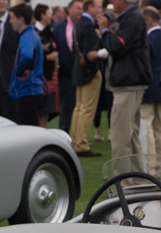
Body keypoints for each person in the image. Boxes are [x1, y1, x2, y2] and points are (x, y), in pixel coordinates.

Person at [97, 0, 151, 174]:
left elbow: (116, 46)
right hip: (132, 81)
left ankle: (122, 184)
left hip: (129, 82)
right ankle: (136, 182)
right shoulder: (131, 16)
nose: (112, 2)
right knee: (131, 136)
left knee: (120, 137)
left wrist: (104, 30)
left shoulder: (133, 18)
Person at [71, 0, 103, 156]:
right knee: (86, 109)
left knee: (79, 108)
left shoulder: (79, 23)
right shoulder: (88, 25)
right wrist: (95, 70)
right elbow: (89, 53)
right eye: (98, 7)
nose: (100, 10)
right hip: (88, 72)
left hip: (79, 69)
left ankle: (76, 141)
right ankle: (81, 144)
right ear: (89, 7)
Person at [140, 6, 161, 173]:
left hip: (149, 87)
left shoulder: (148, 39)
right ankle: (158, 165)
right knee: (160, 128)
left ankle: (150, 167)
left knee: (148, 127)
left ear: (149, 20)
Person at [8, 3, 45, 125]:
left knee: (28, 130)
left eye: (12, 18)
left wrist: (19, 71)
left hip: (27, 91)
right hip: (30, 90)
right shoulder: (29, 35)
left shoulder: (27, 36)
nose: (10, 21)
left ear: (21, 20)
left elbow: (27, 55)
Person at [52, 0, 81, 133]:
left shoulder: (85, 25)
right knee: (66, 107)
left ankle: (79, 137)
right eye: (77, 8)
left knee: (81, 108)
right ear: (69, 10)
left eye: (81, 9)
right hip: (65, 74)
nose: (80, 11)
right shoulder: (59, 27)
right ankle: (64, 134)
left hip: (82, 73)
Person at [35, 4, 58, 127]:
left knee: (45, 111)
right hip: (40, 76)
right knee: (39, 110)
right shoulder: (34, 32)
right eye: (48, 13)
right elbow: (32, 54)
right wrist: (48, 57)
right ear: (42, 15)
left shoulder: (48, 31)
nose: (51, 16)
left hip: (49, 76)